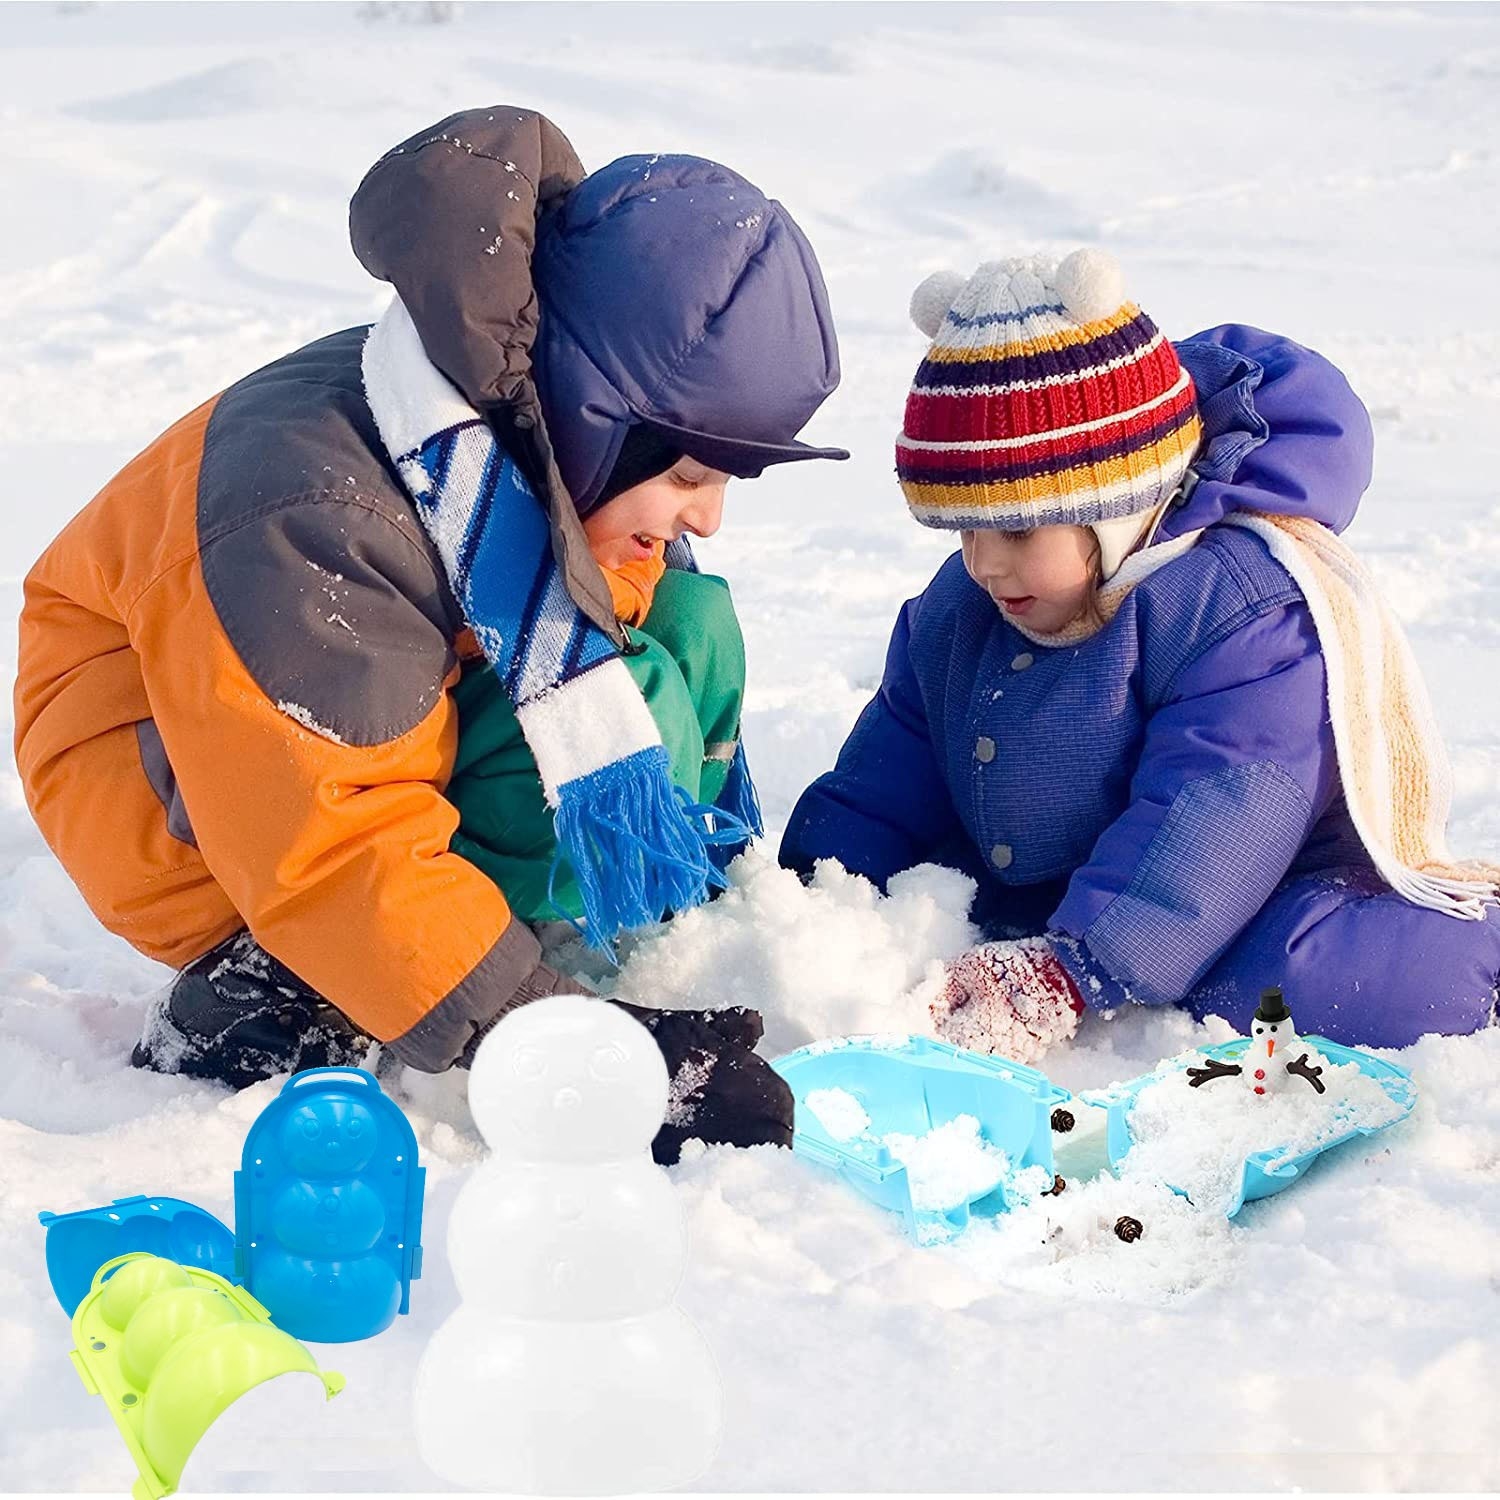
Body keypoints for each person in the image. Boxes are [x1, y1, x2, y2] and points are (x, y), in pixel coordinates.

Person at [14, 105, 847, 1160]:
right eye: (689, 472)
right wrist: (579, 1045)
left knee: (683, 619)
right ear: (595, 412)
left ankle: (487, 920)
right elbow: (333, 839)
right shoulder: (314, 517)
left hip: (361, 707)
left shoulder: (516, 422)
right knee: (361, 915)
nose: (712, 512)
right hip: (186, 782)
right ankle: (278, 979)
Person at [781, 249, 1500, 1059]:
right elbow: (895, 759)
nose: (984, 563)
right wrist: (818, 895)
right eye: (964, 529)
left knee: (1287, 993)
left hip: (1254, 882)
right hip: (1061, 876)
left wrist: (1076, 970)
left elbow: (1220, 804)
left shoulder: (1235, 608)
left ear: (1116, 510)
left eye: (1017, 530)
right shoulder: (967, 604)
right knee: (945, 911)